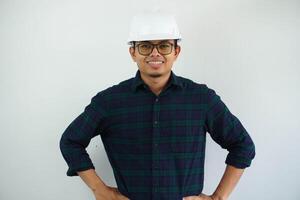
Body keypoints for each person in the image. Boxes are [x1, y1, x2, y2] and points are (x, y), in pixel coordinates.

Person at [59, 13, 255, 200]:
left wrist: (219, 197)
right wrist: (99, 190)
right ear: (132, 52)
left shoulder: (201, 99)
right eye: (145, 46)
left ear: (176, 51)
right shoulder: (109, 102)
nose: (155, 53)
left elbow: (243, 145)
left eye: (164, 46)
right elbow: (70, 141)